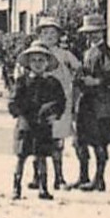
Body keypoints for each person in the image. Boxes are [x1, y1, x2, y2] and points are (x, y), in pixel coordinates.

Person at [8, 42, 67, 200]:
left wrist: (54, 113)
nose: (38, 64)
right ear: (28, 63)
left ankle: (43, 187)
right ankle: (16, 187)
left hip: (43, 125)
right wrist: (20, 113)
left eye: (41, 60)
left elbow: (60, 101)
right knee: (21, 156)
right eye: (34, 61)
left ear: (47, 63)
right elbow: (13, 101)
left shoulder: (53, 83)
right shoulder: (22, 82)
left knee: (41, 156)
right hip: (26, 124)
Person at [72, 13, 110, 192]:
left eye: (95, 32)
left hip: (101, 104)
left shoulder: (107, 53)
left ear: (102, 32)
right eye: (88, 33)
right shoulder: (87, 52)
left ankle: (99, 178)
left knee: (99, 142)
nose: (91, 36)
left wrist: (96, 81)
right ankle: (83, 176)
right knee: (80, 140)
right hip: (86, 102)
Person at [33, 16, 80, 189]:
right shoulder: (35, 53)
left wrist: (72, 83)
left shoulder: (64, 54)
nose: (49, 36)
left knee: (57, 140)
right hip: (39, 101)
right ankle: (37, 176)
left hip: (60, 101)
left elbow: (79, 68)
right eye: (45, 33)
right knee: (38, 139)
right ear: (39, 35)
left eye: (53, 33)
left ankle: (58, 176)